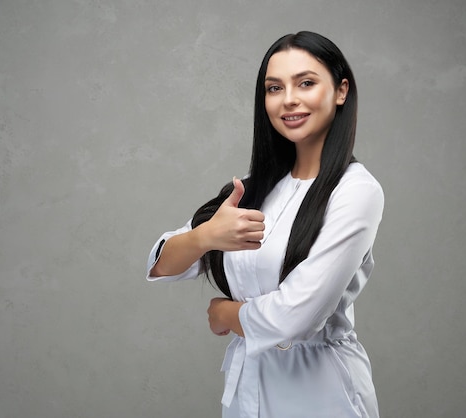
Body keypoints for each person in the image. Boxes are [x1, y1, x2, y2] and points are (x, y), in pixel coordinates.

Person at [146, 31, 384, 418]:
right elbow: (161, 265)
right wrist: (206, 236)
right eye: (274, 87)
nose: (288, 99)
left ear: (341, 91)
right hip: (247, 392)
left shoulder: (356, 191)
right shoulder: (253, 190)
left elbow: (298, 317)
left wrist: (225, 314)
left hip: (320, 394)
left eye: (306, 83)